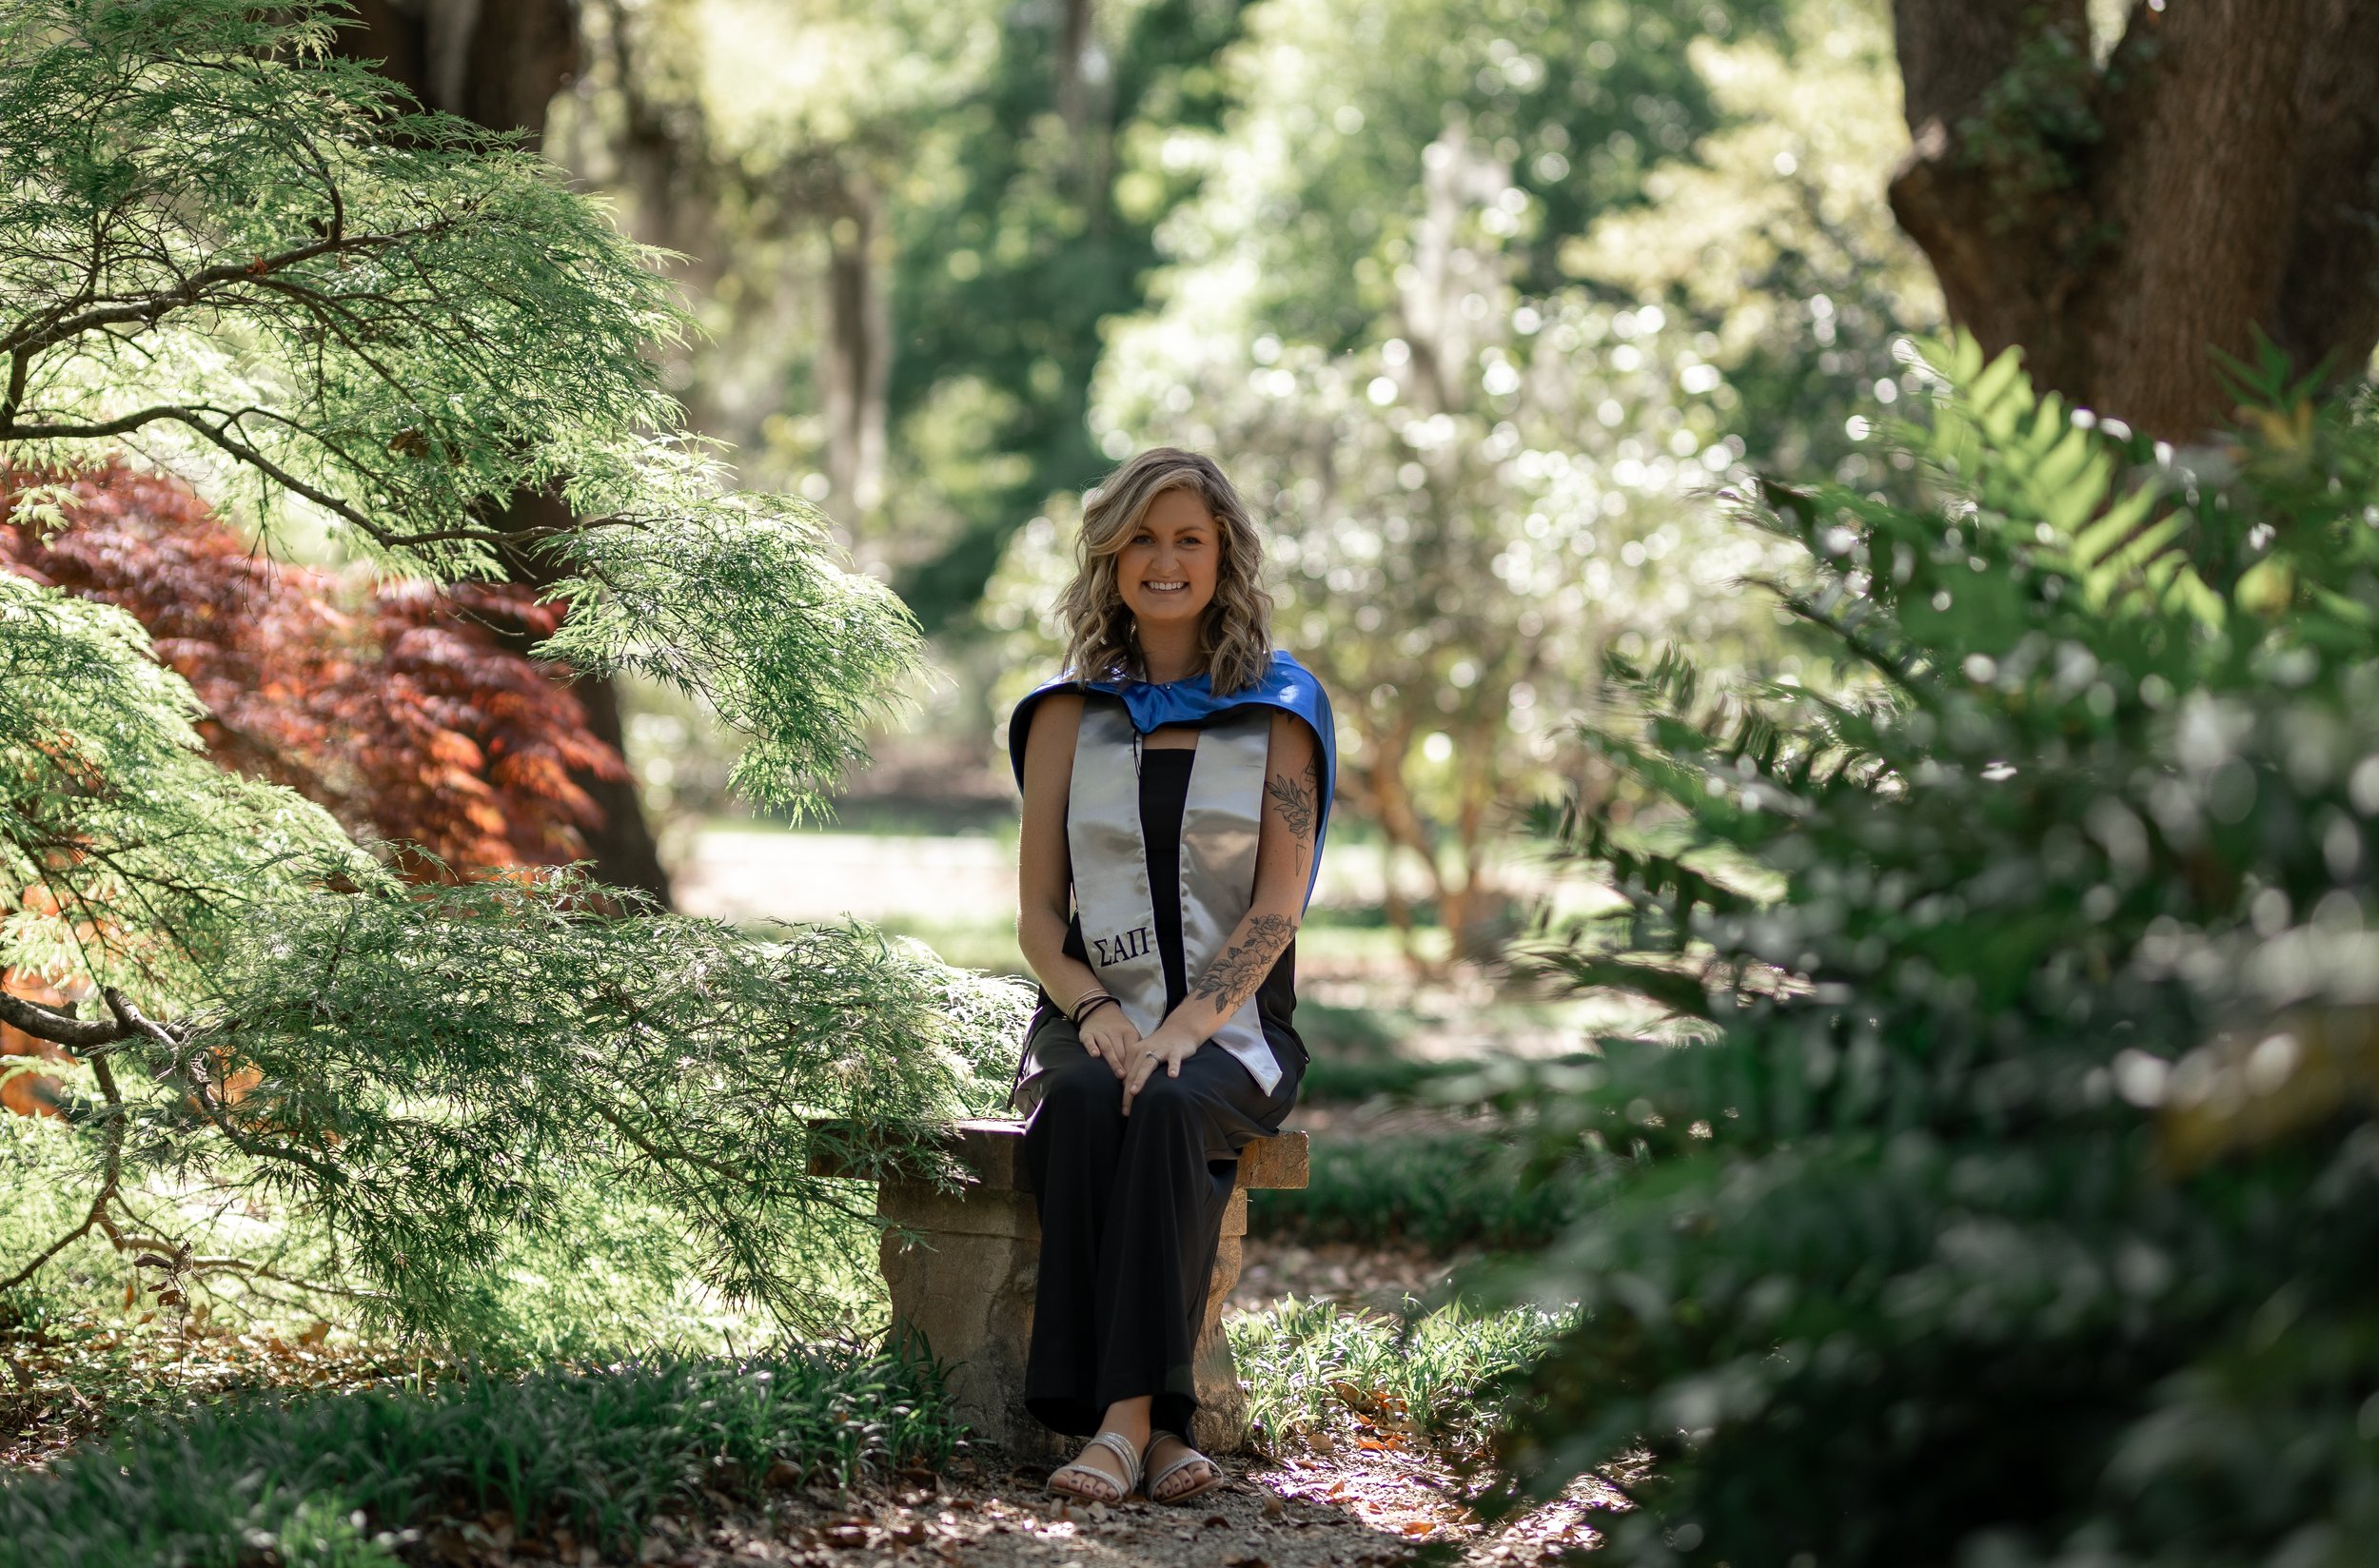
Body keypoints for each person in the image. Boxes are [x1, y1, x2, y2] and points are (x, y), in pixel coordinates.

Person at [1005, 446, 1336, 1505]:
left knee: (1167, 1102)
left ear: (1224, 555)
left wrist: (1188, 1023)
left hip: (1230, 1024)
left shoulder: (1279, 710)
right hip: (1091, 1005)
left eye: (1188, 537)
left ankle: (1119, 1424)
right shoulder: (1066, 713)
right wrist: (1097, 1010)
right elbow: (1038, 917)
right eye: (1141, 537)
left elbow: (1276, 907)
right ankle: (1155, 1436)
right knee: (1095, 1093)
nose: (1163, 559)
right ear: (1108, 559)